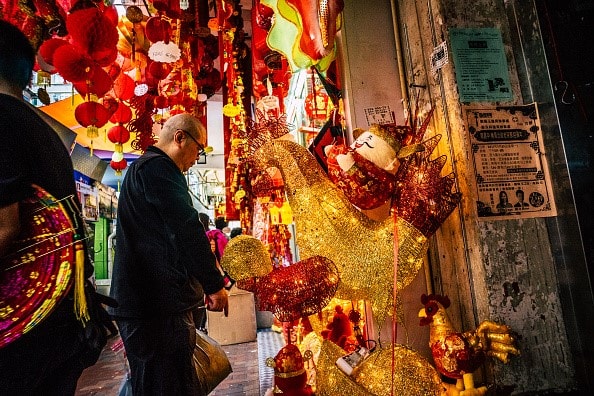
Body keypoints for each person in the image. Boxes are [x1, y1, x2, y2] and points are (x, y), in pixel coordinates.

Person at [0, 20, 109, 394]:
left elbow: (5, 226)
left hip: (23, 333)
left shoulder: (2, 120)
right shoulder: (43, 130)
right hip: (58, 324)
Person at [109, 113, 229, 395]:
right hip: (153, 309)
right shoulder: (158, 169)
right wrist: (214, 285)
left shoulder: (144, 170)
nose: (194, 160)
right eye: (198, 150)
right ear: (180, 138)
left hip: (149, 306)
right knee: (165, 385)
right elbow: (186, 228)